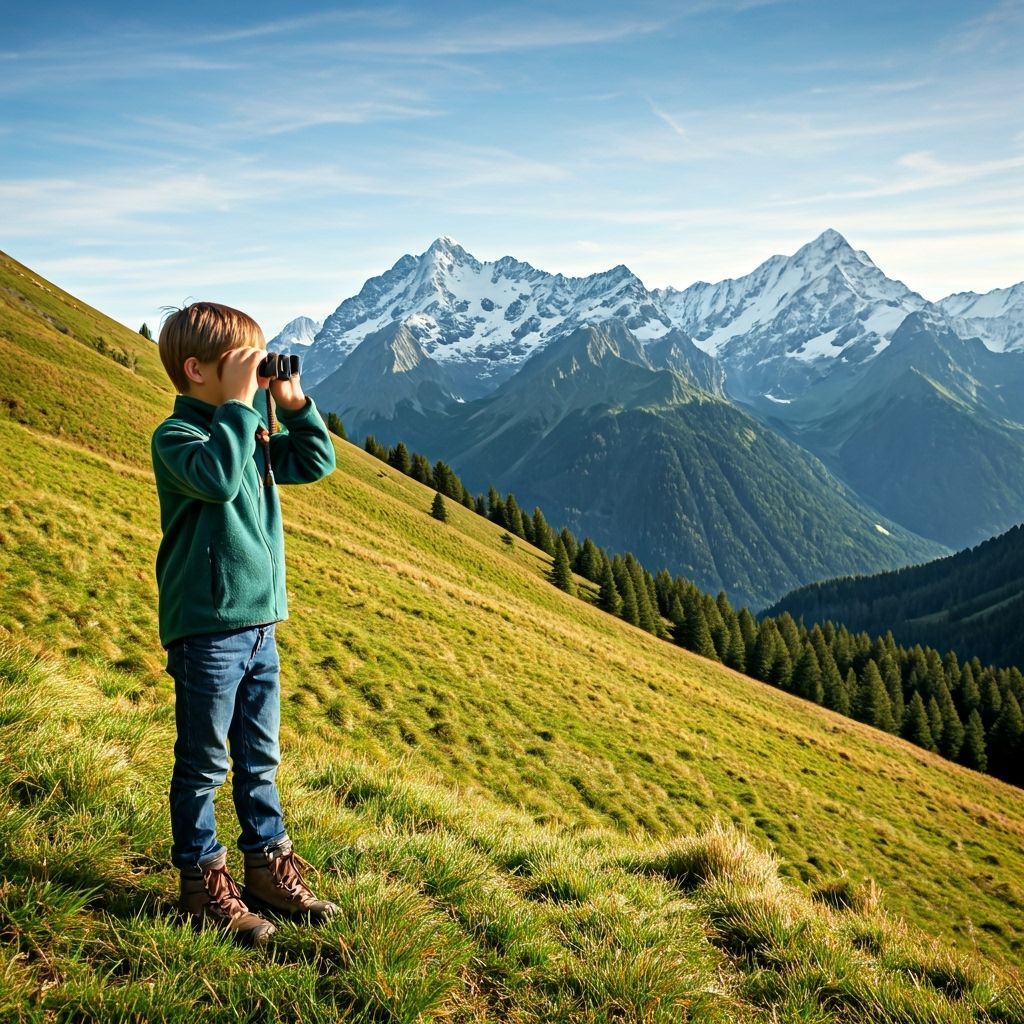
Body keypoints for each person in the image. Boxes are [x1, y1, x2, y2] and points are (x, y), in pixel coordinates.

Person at [151, 301, 338, 946]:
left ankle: (266, 867)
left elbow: (315, 464)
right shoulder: (179, 439)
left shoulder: (249, 429)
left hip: (260, 623)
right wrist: (237, 409)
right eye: (245, 364)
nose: (255, 376)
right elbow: (221, 481)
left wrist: (289, 402)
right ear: (196, 370)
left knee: (260, 757)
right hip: (205, 627)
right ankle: (202, 884)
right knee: (205, 761)